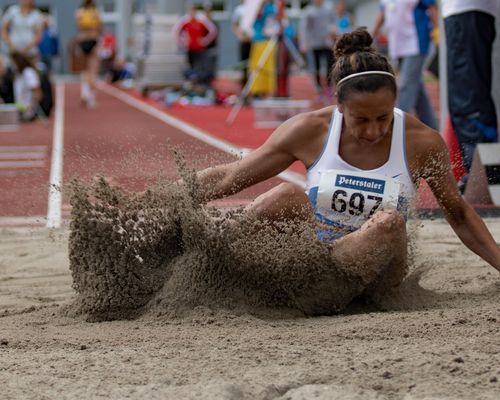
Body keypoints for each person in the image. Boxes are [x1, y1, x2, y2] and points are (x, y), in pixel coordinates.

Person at [182, 28, 499, 301]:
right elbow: (231, 175)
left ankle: (317, 290)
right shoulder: (311, 130)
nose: (373, 131)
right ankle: (203, 262)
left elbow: (458, 213)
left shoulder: (422, 141)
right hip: (318, 262)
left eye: (383, 118)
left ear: (394, 104)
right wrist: (161, 203)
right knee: (284, 196)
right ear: (339, 106)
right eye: (360, 120)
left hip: (377, 273)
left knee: (388, 222)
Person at [442, 0, 498, 190]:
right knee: (467, 95)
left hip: (466, 11)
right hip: (467, 13)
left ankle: (484, 172)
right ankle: (485, 171)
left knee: (467, 98)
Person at [372, 0, 438, 130]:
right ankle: (432, 128)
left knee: (406, 85)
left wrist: (436, 30)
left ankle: (397, 127)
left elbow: (432, 7)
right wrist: (371, 34)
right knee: (417, 88)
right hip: (398, 45)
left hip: (416, 43)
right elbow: (383, 13)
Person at [298, 0, 336, 101]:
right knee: (316, 67)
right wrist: (304, 44)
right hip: (314, 44)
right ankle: (319, 90)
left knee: (329, 65)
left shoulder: (328, 9)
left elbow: (333, 22)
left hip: (327, 43)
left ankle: (328, 88)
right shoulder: (309, 11)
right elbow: (304, 28)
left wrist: (333, 32)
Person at [173, 5, 217, 86]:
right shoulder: (185, 20)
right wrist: (182, 42)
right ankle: (192, 84)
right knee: (191, 66)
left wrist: (205, 41)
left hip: (200, 48)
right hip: (190, 48)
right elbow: (176, 30)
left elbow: (213, 30)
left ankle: (201, 84)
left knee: (200, 67)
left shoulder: (201, 19)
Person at [247, 0, 278, 98]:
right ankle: (255, 92)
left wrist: (271, 31)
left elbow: (275, 24)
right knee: (255, 67)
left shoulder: (272, 8)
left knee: (268, 68)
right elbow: (250, 22)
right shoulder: (254, 7)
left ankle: (268, 93)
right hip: (257, 41)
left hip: (268, 42)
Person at [75, 0, 102, 108]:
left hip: (85, 40)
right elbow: (98, 27)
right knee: (91, 70)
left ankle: (86, 94)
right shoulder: (94, 12)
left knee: (87, 70)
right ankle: (88, 95)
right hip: (89, 40)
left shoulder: (81, 12)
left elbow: (80, 27)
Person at [11, 51, 41, 121]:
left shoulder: (28, 72)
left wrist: (32, 107)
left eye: (14, 62)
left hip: (28, 109)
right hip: (19, 107)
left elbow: (37, 92)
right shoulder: (18, 74)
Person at [231, 0, 252, 89]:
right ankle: (244, 85)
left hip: (254, 40)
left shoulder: (253, 9)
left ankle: (253, 85)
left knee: (254, 64)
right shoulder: (239, 10)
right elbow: (234, 25)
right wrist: (240, 36)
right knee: (244, 64)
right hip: (243, 41)